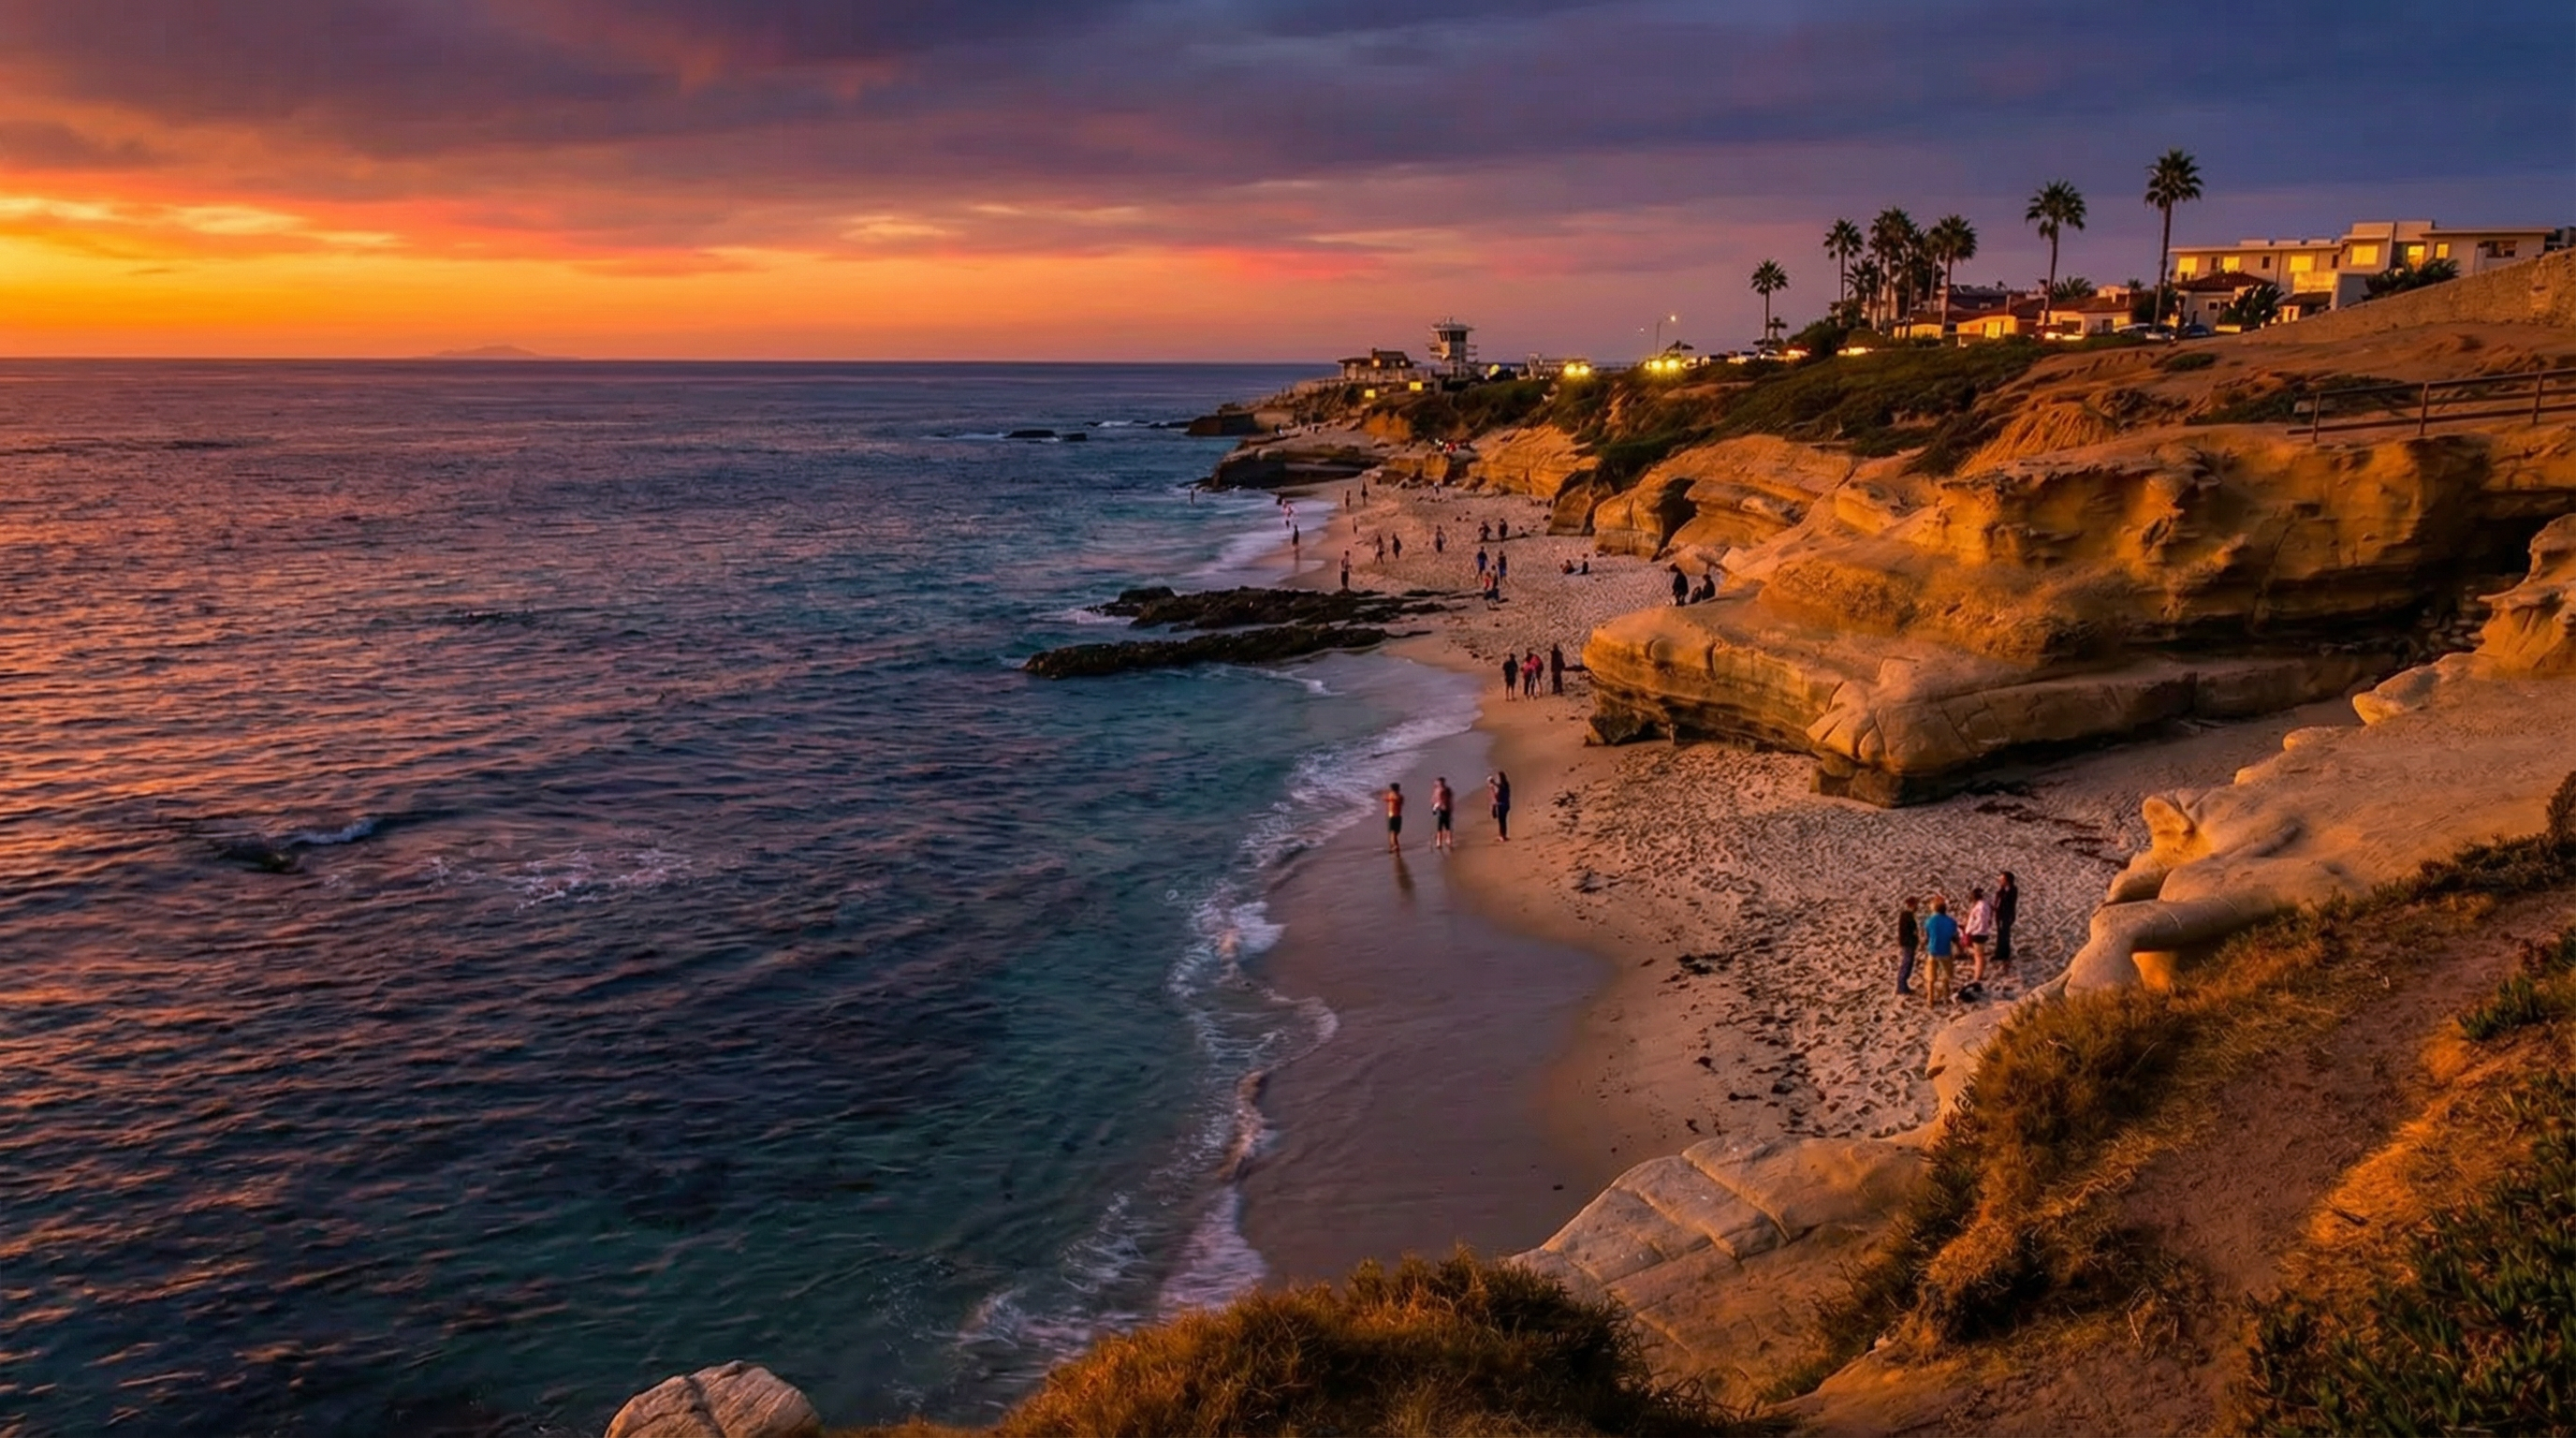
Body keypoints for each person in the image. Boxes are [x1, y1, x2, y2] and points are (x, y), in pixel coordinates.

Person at [1921, 898, 1959, 1006]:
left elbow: (1926, 937)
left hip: (1932, 950)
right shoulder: (1951, 922)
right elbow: (1955, 937)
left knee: (1930, 976)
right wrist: (1959, 948)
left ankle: (1930, 998)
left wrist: (1924, 944)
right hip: (1945, 950)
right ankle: (1945, 997)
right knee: (1945, 975)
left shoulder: (1929, 921)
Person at [1964, 887, 1995, 983]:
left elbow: (1980, 921)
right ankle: (1980, 972)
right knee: (1979, 955)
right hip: (1982, 932)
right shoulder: (1985, 905)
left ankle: (1978, 976)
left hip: (1978, 933)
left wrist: (1969, 930)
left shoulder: (1981, 907)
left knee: (1978, 956)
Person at [1992, 872, 2019, 973]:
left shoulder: (2012, 890)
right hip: (1999, 914)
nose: (2000, 881)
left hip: (2006, 914)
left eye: (2002, 879)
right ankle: (1999, 952)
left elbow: (2009, 902)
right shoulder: (2002, 890)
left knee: (2005, 933)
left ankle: (2004, 953)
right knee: (2000, 933)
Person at [1895, 897, 1921, 994]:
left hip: (1907, 942)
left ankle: (1903, 985)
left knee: (1908, 963)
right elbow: (1911, 931)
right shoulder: (1908, 916)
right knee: (1907, 963)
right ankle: (1901, 986)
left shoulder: (1905, 915)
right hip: (1908, 943)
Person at [1432, 777, 1455, 852]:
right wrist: (1434, 806)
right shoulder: (1437, 790)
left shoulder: (1445, 790)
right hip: (1440, 809)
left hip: (1445, 809)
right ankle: (1439, 842)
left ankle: (1448, 841)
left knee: (1447, 826)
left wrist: (1450, 808)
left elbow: (1449, 799)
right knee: (1440, 826)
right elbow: (1434, 799)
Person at [1488, 770, 1513, 842]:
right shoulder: (1505, 785)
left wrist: (1493, 784)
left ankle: (1502, 836)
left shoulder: (1504, 785)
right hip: (1504, 804)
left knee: (1502, 821)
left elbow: (1500, 789)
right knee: (1503, 821)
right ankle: (1503, 835)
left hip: (1502, 805)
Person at [1383, 783, 1404, 852]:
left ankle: (1393, 846)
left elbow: (1386, 798)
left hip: (1392, 816)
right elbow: (1385, 799)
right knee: (1394, 833)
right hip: (1396, 816)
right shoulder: (1398, 796)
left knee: (1393, 833)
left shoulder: (1394, 796)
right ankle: (1394, 846)